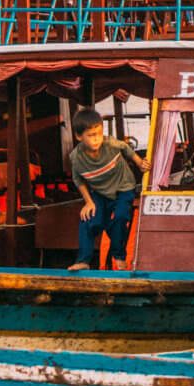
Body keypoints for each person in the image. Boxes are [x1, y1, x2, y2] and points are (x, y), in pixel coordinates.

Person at [66, 108, 143, 270]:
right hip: (99, 192)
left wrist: (139, 162)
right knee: (89, 220)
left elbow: (125, 148)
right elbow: (78, 179)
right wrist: (88, 202)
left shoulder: (110, 143)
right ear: (79, 136)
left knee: (121, 216)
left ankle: (119, 256)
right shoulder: (76, 157)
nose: (96, 139)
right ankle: (83, 261)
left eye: (99, 134)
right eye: (91, 135)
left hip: (123, 187)